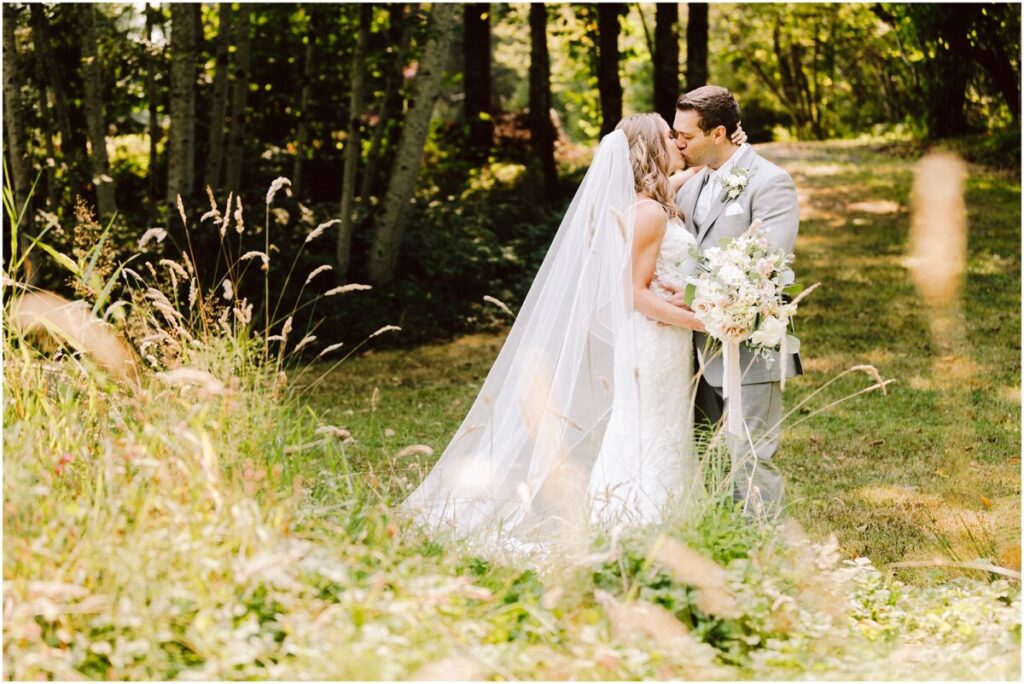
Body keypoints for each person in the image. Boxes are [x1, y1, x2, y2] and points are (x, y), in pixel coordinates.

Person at [400, 113, 746, 556]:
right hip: (653, 340)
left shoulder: (649, 202)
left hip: (663, 340)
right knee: (647, 430)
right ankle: (631, 526)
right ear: (649, 149)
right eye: (669, 138)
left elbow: (689, 179)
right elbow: (633, 295)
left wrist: (726, 150)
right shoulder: (650, 214)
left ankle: (661, 525)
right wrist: (706, 321)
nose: (679, 144)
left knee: (662, 429)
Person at [670, 85, 802, 520]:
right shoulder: (690, 187)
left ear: (720, 132)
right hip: (692, 349)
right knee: (705, 454)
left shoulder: (770, 183)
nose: (678, 143)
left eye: (686, 136)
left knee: (750, 454)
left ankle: (768, 552)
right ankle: (725, 544)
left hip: (746, 342)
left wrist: (687, 296)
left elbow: (763, 269)